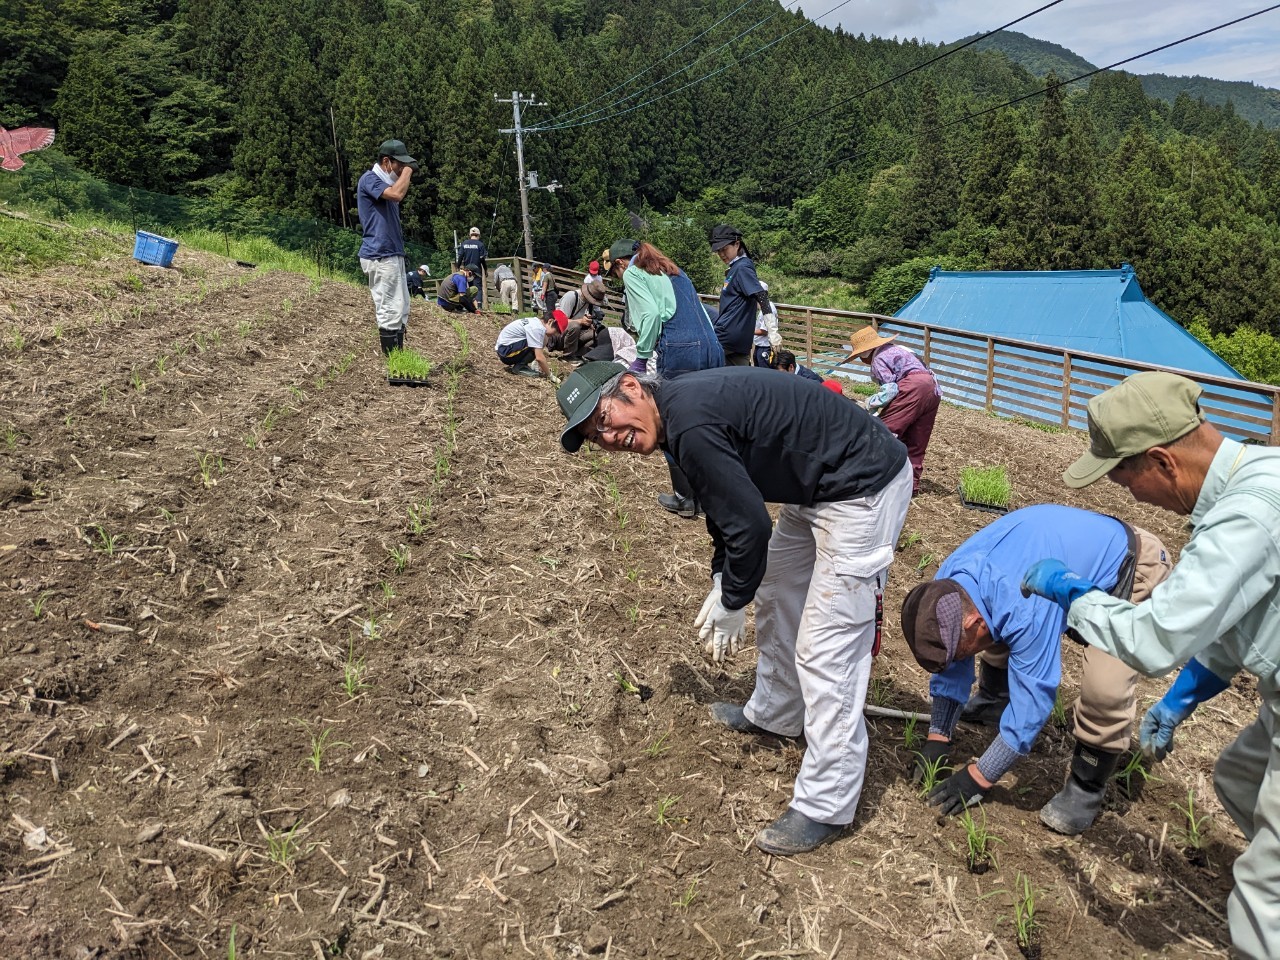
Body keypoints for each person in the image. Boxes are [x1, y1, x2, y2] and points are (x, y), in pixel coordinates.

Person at [555, 362, 912, 855]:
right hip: (818, 484)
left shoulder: (691, 423)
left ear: (632, 388)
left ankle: (827, 803)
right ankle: (777, 712)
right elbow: (724, 509)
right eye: (596, 436)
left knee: (827, 646)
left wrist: (732, 598)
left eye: (605, 418)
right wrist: (726, 575)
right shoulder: (674, 422)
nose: (609, 437)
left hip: (862, 485)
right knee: (777, 585)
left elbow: (751, 525)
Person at [1020, 371, 1280, 959]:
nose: (1129, 497)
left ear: (1162, 461)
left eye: (1124, 478)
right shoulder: (1261, 475)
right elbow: (1250, 609)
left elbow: (1154, 637)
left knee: (1265, 893)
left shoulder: (1248, 515)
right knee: (1240, 777)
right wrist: (1184, 697)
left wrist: (1074, 594)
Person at [900, 505, 1170, 834]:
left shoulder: (1023, 607)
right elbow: (953, 656)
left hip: (1129, 570)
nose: (955, 661)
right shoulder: (949, 583)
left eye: (958, 653)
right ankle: (995, 700)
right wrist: (938, 736)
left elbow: (1034, 701)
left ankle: (1086, 788)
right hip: (1048, 568)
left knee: (1105, 688)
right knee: (994, 631)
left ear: (974, 622)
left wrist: (979, 776)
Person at [603, 238, 724, 518]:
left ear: (620, 264)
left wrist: (641, 357)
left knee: (668, 420)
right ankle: (712, 497)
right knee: (709, 421)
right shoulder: (673, 271)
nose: (619, 278)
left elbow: (652, 316)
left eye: (615, 273)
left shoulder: (634, 273)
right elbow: (706, 313)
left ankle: (685, 497)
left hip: (681, 351)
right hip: (711, 348)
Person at [849, 326, 940, 496]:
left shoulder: (878, 360)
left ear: (865, 353)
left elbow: (890, 390)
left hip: (913, 387)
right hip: (933, 388)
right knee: (917, 440)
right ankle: (910, 487)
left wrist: (869, 404)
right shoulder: (899, 350)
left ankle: (874, 477)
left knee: (884, 431)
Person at [357, 138, 417, 355]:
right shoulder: (369, 179)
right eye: (399, 164)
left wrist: (404, 170)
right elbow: (397, 194)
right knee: (390, 308)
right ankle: (393, 362)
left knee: (401, 308)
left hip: (392, 253)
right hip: (380, 255)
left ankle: (398, 358)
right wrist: (409, 171)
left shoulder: (384, 183)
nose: (401, 169)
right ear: (386, 161)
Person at [710, 224, 778, 367]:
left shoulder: (742, 267)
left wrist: (773, 332)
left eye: (725, 249)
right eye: (719, 251)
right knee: (739, 382)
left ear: (737, 244)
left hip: (726, 337)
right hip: (740, 341)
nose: (722, 254)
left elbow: (762, 296)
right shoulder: (736, 267)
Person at [495, 313, 559, 379]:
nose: (556, 334)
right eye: (557, 331)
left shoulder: (536, 323)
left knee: (538, 341)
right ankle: (519, 367)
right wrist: (550, 375)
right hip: (506, 352)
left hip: (506, 348)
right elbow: (539, 357)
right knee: (535, 343)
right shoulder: (537, 329)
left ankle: (522, 365)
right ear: (550, 321)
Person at [459, 227, 488, 307]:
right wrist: (485, 269)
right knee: (478, 288)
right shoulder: (480, 244)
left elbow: (460, 256)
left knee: (469, 287)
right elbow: (482, 258)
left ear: (470, 235)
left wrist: (458, 267)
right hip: (477, 270)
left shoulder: (464, 243)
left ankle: (471, 306)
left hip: (467, 270)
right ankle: (479, 305)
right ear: (478, 235)